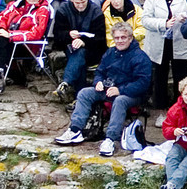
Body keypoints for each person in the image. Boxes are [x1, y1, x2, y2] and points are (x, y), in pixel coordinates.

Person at [53, 16, 152, 152]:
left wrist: (120, 90)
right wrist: (98, 82)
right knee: (84, 93)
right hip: (107, 88)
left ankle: (110, 139)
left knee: (120, 101)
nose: (120, 41)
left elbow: (143, 83)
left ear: (130, 38)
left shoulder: (140, 57)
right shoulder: (110, 52)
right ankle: (75, 130)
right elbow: (100, 71)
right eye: (117, 38)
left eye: (123, 37)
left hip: (131, 94)